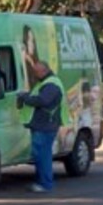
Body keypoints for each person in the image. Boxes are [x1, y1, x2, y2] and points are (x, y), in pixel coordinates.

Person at [16, 60, 70, 193]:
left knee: (42, 155)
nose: (34, 74)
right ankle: (43, 182)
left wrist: (25, 98)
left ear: (44, 71)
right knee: (41, 154)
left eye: (36, 72)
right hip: (44, 124)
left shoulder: (51, 84)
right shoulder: (46, 82)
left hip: (45, 125)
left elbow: (43, 100)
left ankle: (45, 184)